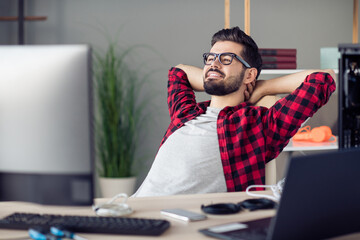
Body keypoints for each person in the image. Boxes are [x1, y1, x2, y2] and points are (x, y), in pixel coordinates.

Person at [132, 26, 336, 197]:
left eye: (226, 59)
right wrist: (217, 77)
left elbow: (324, 78)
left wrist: (263, 86)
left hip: (178, 224)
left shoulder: (259, 126)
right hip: (132, 208)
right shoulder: (185, 113)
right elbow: (179, 72)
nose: (214, 63)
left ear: (250, 74)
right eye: (210, 58)